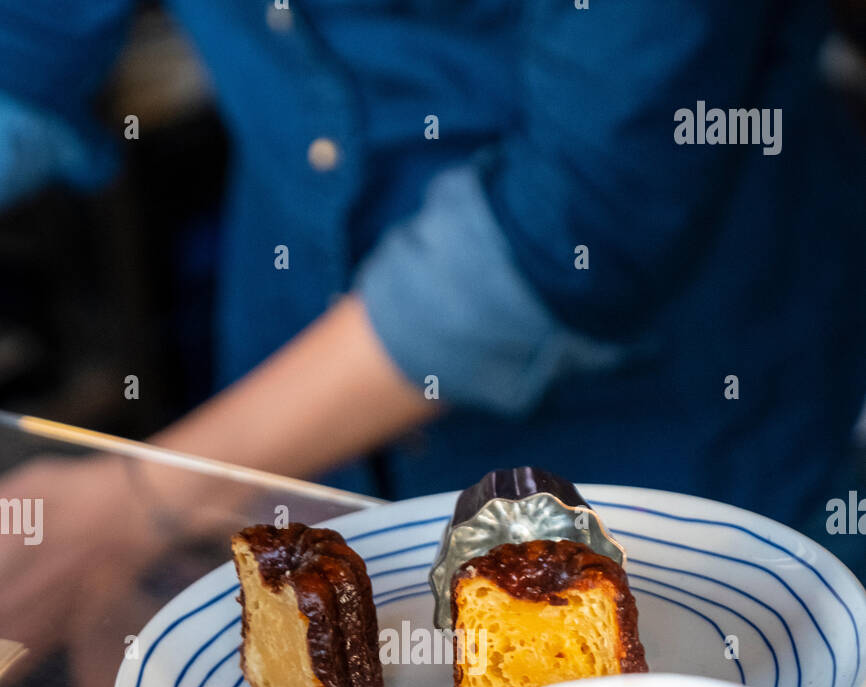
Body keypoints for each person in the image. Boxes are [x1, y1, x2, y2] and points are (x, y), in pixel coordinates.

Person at [0, 0, 864, 622]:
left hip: (669, 445)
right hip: (291, 430)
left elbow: (581, 215)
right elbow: (26, 51)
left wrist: (143, 501)